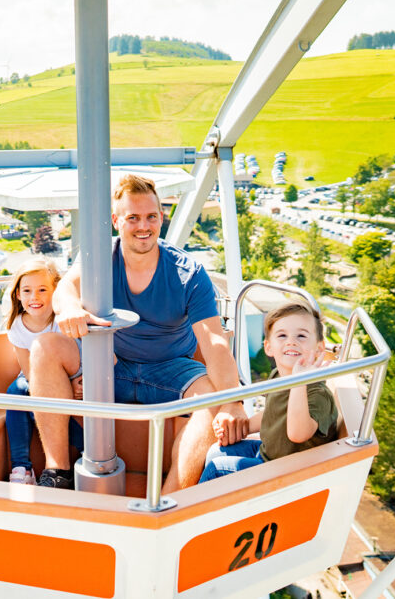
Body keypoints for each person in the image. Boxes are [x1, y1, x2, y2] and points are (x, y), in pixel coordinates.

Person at [27, 174, 248, 490]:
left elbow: (213, 341)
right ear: (116, 221)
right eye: (133, 218)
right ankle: (58, 471)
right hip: (112, 363)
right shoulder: (101, 256)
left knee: (213, 401)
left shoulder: (189, 272)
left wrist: (233, 401)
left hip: (172, 367)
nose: (143, 226)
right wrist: (70, 308)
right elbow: (65, 287)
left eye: (151, 217)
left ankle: (172, 497)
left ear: (161, 218)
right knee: (45, 347)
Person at [198, 302, 338, 483]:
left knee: (218, 469)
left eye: (301, 336)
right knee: (216, 451)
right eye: (282, 335)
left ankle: (197, 510)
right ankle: (222, 501)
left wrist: (299, 380)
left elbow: (298, 434)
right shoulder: (278, 375)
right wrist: (244, 427)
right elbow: (274, 412)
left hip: (287, 473)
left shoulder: (318, 394)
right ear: (269, 347)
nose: (291, 341)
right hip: (267, 454)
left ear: (319, 349)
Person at [2, 258, 83, 485]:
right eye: (27, 291)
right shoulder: (17, 326)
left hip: (66, 372)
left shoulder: (62, 321)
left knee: (64, 402)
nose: (34, 297)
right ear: (18, 294)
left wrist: (74, 384)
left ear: (55, 292)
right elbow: (28, 372)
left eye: (42, 290)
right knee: (16, 391)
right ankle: (21, 468)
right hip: (33, 376)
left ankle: (86, 451)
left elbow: (75, 357)